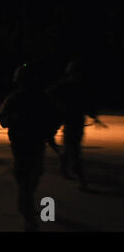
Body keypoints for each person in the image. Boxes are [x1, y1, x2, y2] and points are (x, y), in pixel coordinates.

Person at [0, 63, 59, 231]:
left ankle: (25, 203)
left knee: (26, 176)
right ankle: (27, 210)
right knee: (30, 175)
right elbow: (54, 119)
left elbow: (4, 120)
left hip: (24, 142)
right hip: (30, 142)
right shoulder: (40, 97)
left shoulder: (16, 98)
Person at [48, 60, 105, 190]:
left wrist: (94, 116)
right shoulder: (70, 86)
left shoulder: (72, 86)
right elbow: (49, 96)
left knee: (71, 147)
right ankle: (81, 179)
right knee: (74, 150)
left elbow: (88, 104)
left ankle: (64, 168)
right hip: (71, 121)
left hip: (74, 121)